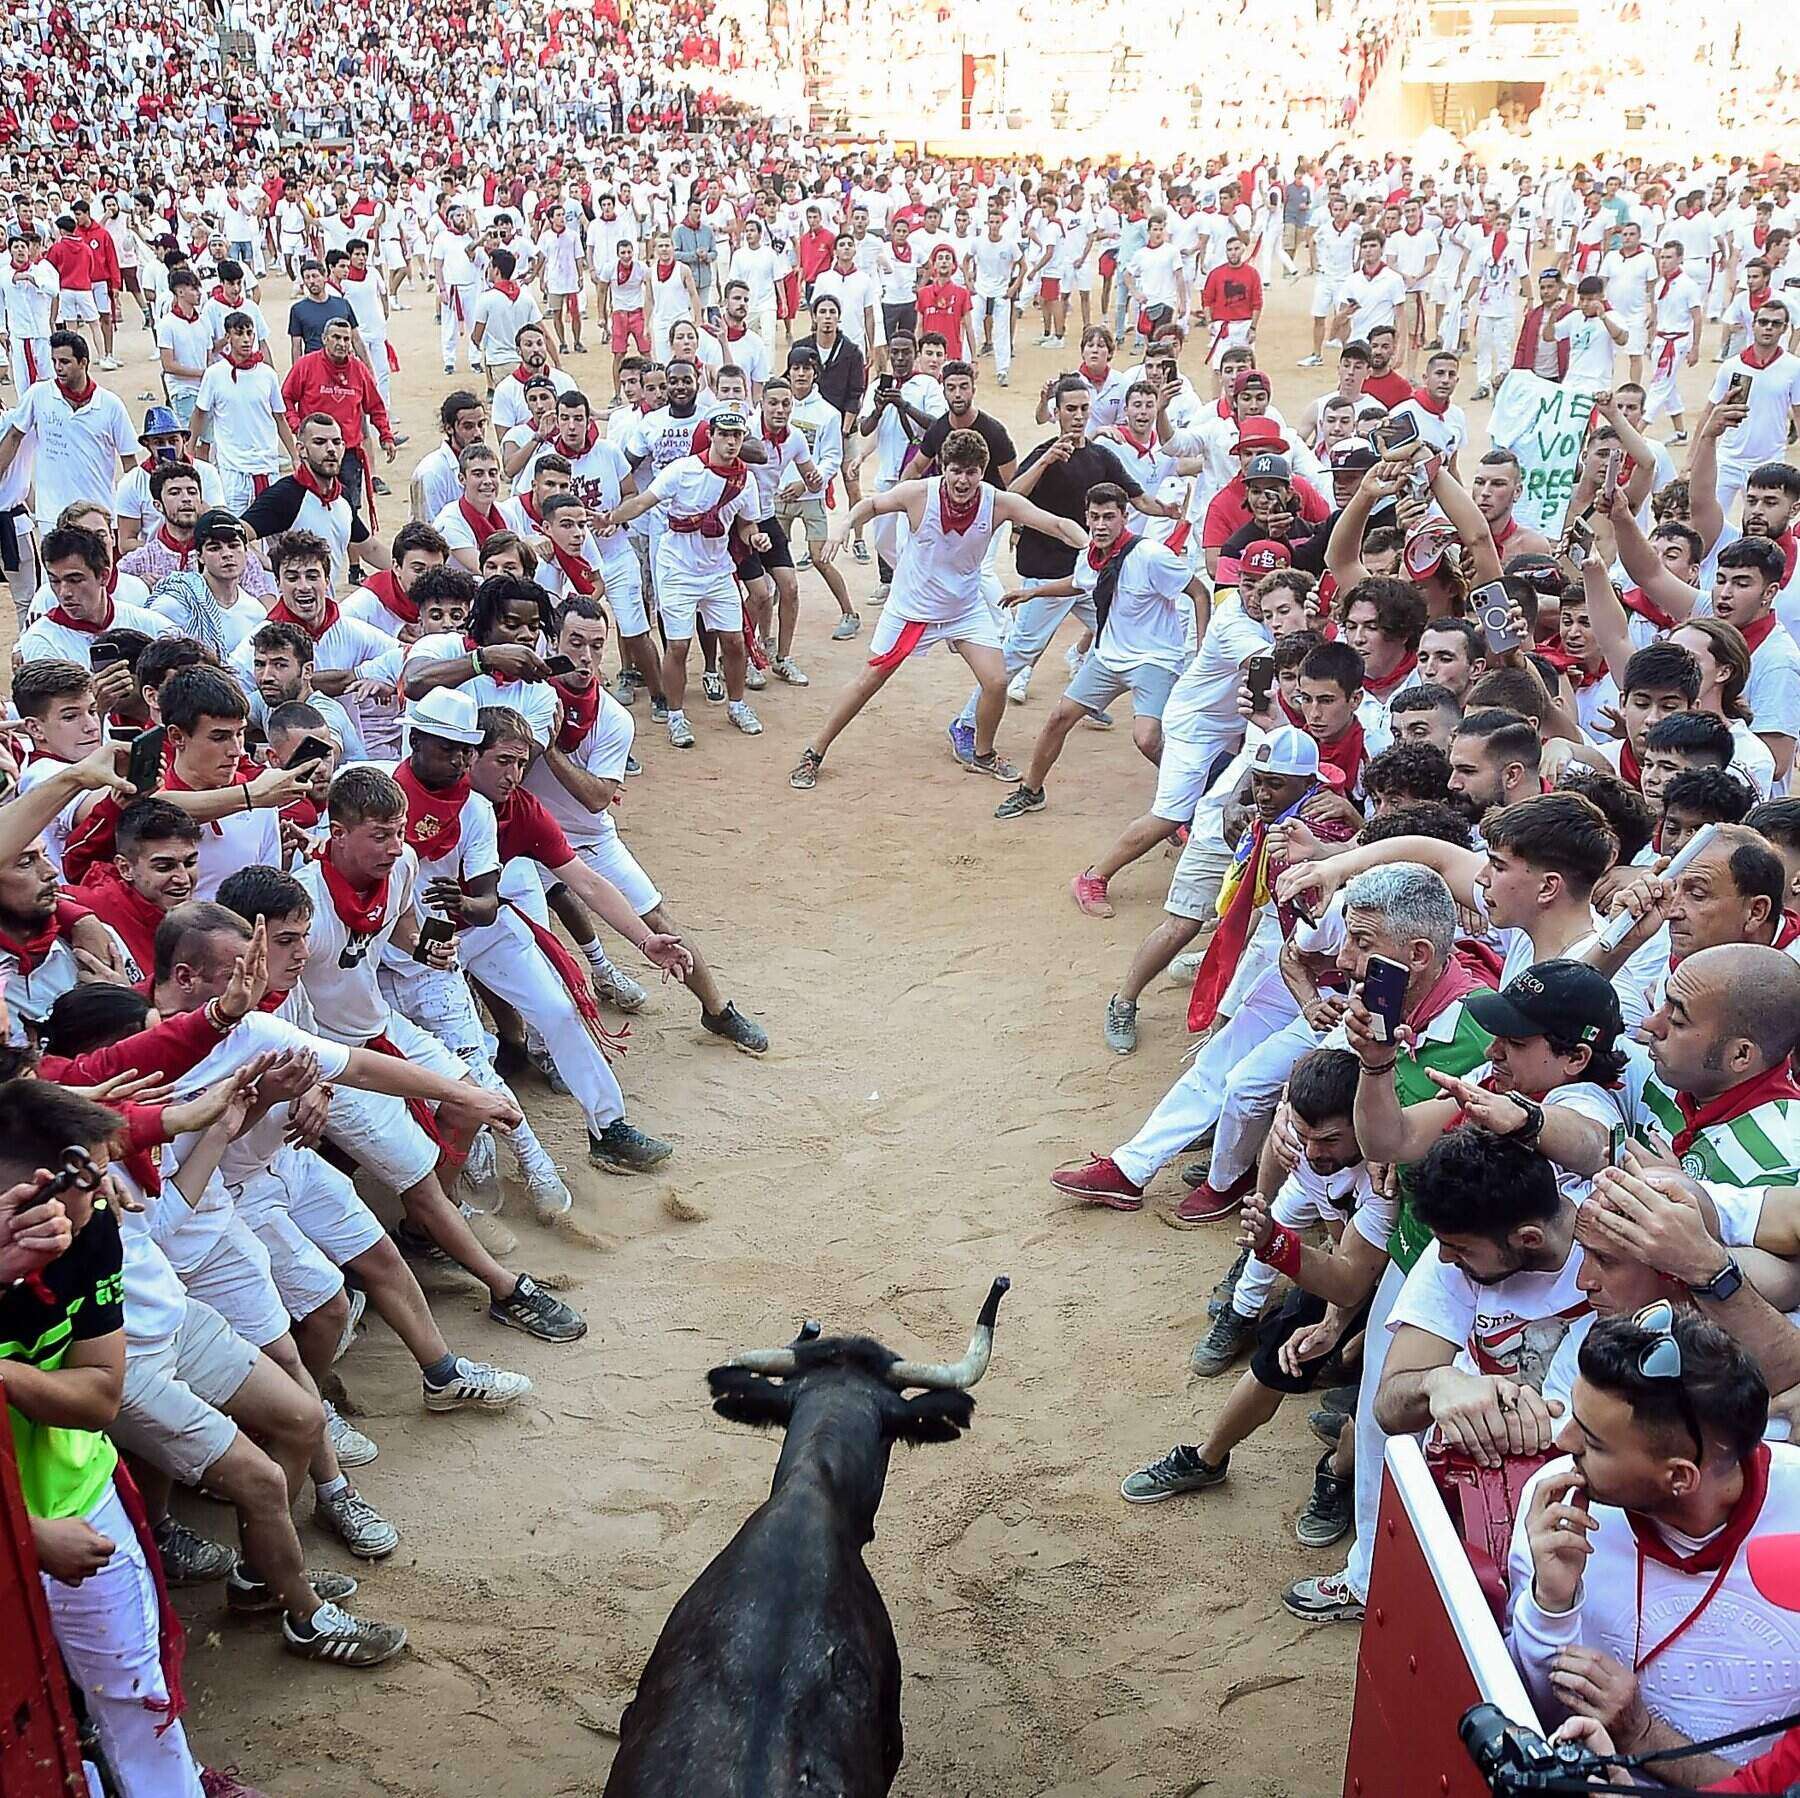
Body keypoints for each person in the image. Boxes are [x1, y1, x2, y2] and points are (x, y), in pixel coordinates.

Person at [1508, 1310, 1800, 1780]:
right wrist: (1551, 1605)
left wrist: (1643, 1734)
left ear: (1679, 1477)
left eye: (1596, 1443)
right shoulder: (1557, 1507)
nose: (1563, 1441)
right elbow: (1530, 1720)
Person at [787, 429, 1085, 792]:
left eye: (972, 471)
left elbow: (1054, 523)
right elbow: (873, 505)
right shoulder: (919, 494)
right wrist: (844, 527)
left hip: (964, 609)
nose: (963, 480)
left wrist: (1091, 545)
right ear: (943, 467)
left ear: (982, 471)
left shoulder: (996, 502)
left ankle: (983, 752)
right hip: (912, 610)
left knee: (997, 682)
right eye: (956, 470)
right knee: (869, 681)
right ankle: (813, 752)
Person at [993, 484, 1206, 819]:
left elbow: (1198, 591)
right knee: (1058, 718)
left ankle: (1195, 792)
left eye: (1109, 517)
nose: (1101, 525)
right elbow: (1080, 582)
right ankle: (1031, 790)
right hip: (1108, 657)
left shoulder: (1151, 556)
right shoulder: (1091, 554)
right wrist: (1033, 593)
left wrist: (1202, 648)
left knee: (1148, 739)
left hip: (1155, 660)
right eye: (1094, 517)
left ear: (1125, 517)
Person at [0, 331, 140, 542]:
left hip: (98, 513)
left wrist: (133, 511)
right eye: (54, 361)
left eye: (65, 361)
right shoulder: (38, 395)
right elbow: (13, 436)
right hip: (52, 514)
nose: (58, 368)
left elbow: (129, 462)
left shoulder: (111, 405)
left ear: (83, 362)